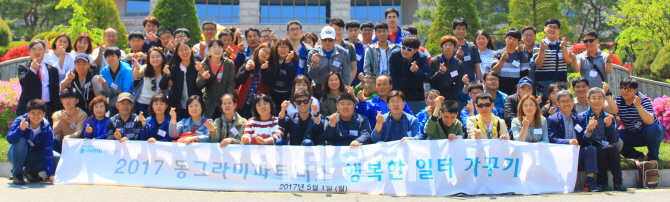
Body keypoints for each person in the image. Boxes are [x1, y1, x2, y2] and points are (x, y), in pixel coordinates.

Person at [548, 90, 601, 192]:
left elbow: (584, 140)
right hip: (561, 154)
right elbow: (552, 139)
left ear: (573, 102)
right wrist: (568, 142)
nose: (566, 103)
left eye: (568, 100)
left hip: (577, 153)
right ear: (558, 104)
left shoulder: (579, 119)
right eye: (563, 101)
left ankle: (589, 181)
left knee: (590, 149)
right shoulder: (552, 119)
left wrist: (589, 130)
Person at [581, 87, 626, 191]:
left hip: (607, 146)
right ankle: (602, 183)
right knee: (601, 149)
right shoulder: (582, 117)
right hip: (592, 147)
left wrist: (609, 126)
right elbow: (582, 140)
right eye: (593, 98)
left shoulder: (609, 117)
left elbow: (614, 139)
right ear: (588, 100)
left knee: (613, 148)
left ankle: (618, 182)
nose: (597, 101)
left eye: (600, 98)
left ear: (604, 100)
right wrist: (589, 129)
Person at [611, 78, 665, 161]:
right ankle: (638, 156)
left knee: (652, 128)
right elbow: (610, 110)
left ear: (636, 90)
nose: (624, 92)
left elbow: (649, 121)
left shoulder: (643, 100)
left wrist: (638, 106)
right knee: (614, 136)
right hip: (632, 133)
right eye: (622, 89)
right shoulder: (618, 100)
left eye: (628, 89)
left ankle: (653, 158)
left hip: (653, 133)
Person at [8, 99, 59, 184]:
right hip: (16, 154)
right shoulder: (20, 121)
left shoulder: (47, 129)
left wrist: (50, 175)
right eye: (33, 113)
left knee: (57, 159)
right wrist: (20, 129)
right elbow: (10, 139)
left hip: (34, 156)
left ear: (44, 114)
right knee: (20, 140)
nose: (36, 116)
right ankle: (17, 174)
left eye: (39, 113)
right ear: (28, 113)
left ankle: (30, 171)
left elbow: (48, 151)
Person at [17, 39, 62, 119]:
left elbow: (55, 91)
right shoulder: (23, 67)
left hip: (46, 109)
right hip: (29, 109)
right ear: (29, 52)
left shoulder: (52, 70)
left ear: (44, 51)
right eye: (34, 49)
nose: (37, 52)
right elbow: (24, 83)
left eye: (40, 49)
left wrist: (54, 109)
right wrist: (32, 70)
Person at [160, 40, 203, 120]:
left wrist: (202, 72)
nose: (184, 52)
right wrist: (167, 75)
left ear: (191, 50)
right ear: (177, 53)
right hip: (178, 107)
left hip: (195, 107)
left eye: (186, 49)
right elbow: (162, 86)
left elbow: (204, 84)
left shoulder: (198, 66)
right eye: (181, 50)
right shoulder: (174, 68)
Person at [532, 18, 575, 96]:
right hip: (544, 84)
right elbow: (538, 64)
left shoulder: (564, 44)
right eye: (550, 27)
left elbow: (568, 61)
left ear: (558, 31)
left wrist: (563, 48)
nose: (552, 29)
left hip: (561, 83)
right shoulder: (538, 45)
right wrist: (542, 50)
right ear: (545, 29)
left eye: (555, 28)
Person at [196, 39, 236, 119]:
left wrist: (227, 101)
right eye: (213, 47)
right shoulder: (204, 64)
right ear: (209, 49)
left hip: (225, 104)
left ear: (223, 49)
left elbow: (230, 84)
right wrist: (203, 78)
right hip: (209, 104)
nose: (217, 50)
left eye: (219, 47)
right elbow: (198, 84)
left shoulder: (229, 63)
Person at [307, 26, 352, 96]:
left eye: (330, 40)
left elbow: (346, 74)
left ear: (335, 40)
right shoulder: (313, 53)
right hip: (318, 87)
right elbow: (311, 76)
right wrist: (314, 65)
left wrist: (344, 90)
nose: (327, 42)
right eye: (324, 40)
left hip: (337, 88)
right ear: (320, 40)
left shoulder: (343, 53)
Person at [236, 43, 274, 119]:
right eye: (263, 50)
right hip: (244, 101)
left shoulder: (271, 68)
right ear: (258, 50)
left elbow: (267, 83)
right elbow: (238, 80)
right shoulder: (249, 62)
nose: (265, 54)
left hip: (259, 104)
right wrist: (246, 70)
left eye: (268, 53)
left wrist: (264, 70)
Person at [389, 36, 429, 101]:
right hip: (399, 91)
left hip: (416, 93)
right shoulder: (395, 55)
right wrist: (395, 93)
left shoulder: (421, 57)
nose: (405, 51)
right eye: (403, 48)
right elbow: (393, 76)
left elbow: (426, 78)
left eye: (409, 49)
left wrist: (417, 71)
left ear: (415, 50)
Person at [491, 28, 531, 95]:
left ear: (518, 42)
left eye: (515, 39)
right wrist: (503, 59)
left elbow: (525, 75)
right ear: (505, 39)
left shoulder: (521, 56)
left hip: (515, 91)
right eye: (509, 38)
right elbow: (495, 70)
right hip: (500, 90)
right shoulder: (498, 54)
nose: (511, 41)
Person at [51, 88, 88, 153]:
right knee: (50, 141)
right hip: (62, 145)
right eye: (65, 98)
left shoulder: (82, 114)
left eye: (71, 98)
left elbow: (79, 132)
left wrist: (69, 137)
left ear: (77, 101)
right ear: (61, 100)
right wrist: (62, 119)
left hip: (77, 145)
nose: (68, 101)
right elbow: (55, 131)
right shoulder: (57, 114)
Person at [100, 46, 134, 117]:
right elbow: (107, 94)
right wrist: (104, 83)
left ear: (119, 57)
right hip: (112, 102)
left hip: (126, 101)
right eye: (108, 57)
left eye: (113, 56)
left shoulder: (127, 70)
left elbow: (127, 91)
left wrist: (121, 105)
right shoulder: (103, 72)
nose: (110, 59)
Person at [429, 35, 465, 101]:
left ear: (455, 48)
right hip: (436, 96)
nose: (448, 47)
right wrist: (440, 73)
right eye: (445, 45)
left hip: (452, 97)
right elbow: (431, 81)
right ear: (441, 47)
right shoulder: (434, 61)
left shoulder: (459, 63)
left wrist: (453, 99)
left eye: (451, 45)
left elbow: (459, 84)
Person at [268, 38, 299, 111]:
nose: (283, 49)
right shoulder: (273, 60)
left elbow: (291, 76)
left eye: (286, 47)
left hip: (288, 94)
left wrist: (288, 62)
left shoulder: (294, 61)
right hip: (274, 94)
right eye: (281, 47)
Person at [133, 47, 166, 115]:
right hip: (143, 102)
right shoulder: (145, 67)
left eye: (157, 57)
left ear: (162, 58)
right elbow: (136, 75)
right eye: (152, 57)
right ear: (149, 59)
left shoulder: (166, 70)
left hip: (159, 104)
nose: (155, 59)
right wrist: (137, 68)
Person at [330, 18, 357, 85]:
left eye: (340, 29)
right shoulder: (325, 45)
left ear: (343, 30)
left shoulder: (349, 47)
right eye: (335, 29)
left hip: (344, 85)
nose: (337, 32)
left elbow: (354, 68)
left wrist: (347, 84)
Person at [346, 20, 366, 86]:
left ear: (359, 31)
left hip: (360, 84)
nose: (353, 33)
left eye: (355, 30)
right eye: (351, 30)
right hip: (346, 83)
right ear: (347, 31)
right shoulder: (343, 47)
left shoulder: (364, 48)